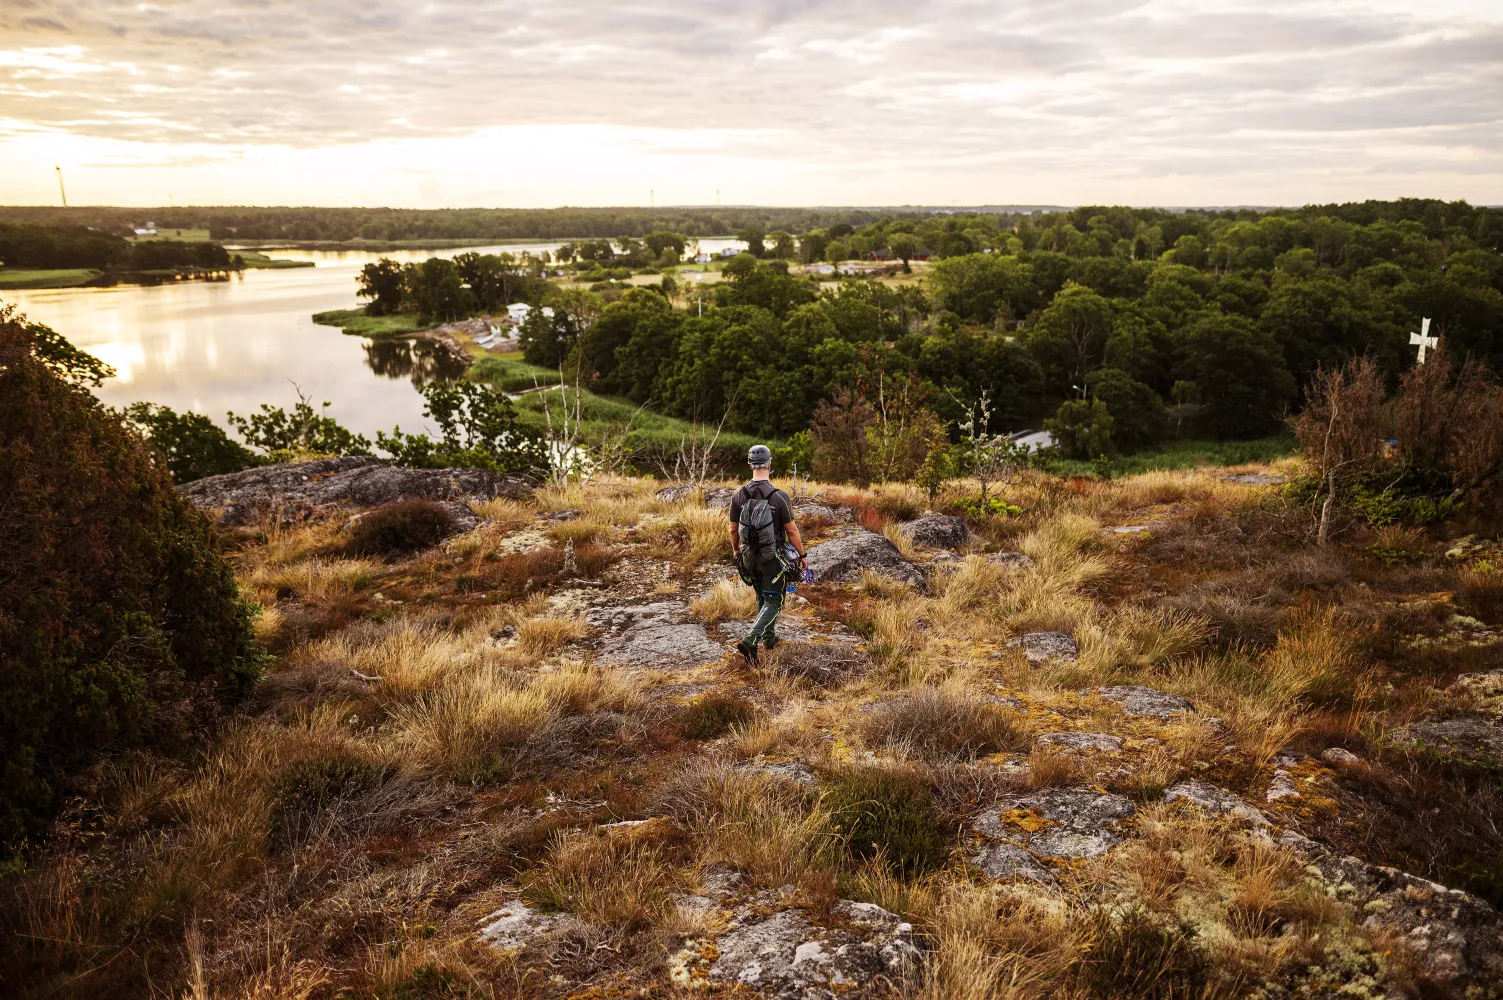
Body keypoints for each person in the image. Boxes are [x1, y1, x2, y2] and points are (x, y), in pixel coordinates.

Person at [728, 444, 807, 664]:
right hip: (772, 558)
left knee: (762, 596)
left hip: (748, 556)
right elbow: (791, 531)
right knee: (775, 601)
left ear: (750, 465)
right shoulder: (779, 496)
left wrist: (736, 552)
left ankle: (769, 639)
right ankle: (750, 640)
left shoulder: (738, 495)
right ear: (769, 465)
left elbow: (733, 529)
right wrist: (802, 556)